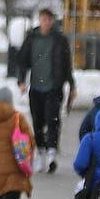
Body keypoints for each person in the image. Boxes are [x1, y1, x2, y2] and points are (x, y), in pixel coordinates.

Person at [16, 9, 76, 173]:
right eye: (43, 19)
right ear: (39, 20)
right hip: (35, 87)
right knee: (37, 120)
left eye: (49, 20)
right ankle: (41, 153)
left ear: (52, 21)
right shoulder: (31, 38)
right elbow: (22, 61)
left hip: (54, 86)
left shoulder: (59, 40)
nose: (46, 23)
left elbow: (67, 64)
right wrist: (21, 81)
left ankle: (51, 154)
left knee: (53, 120)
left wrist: (72, 85)